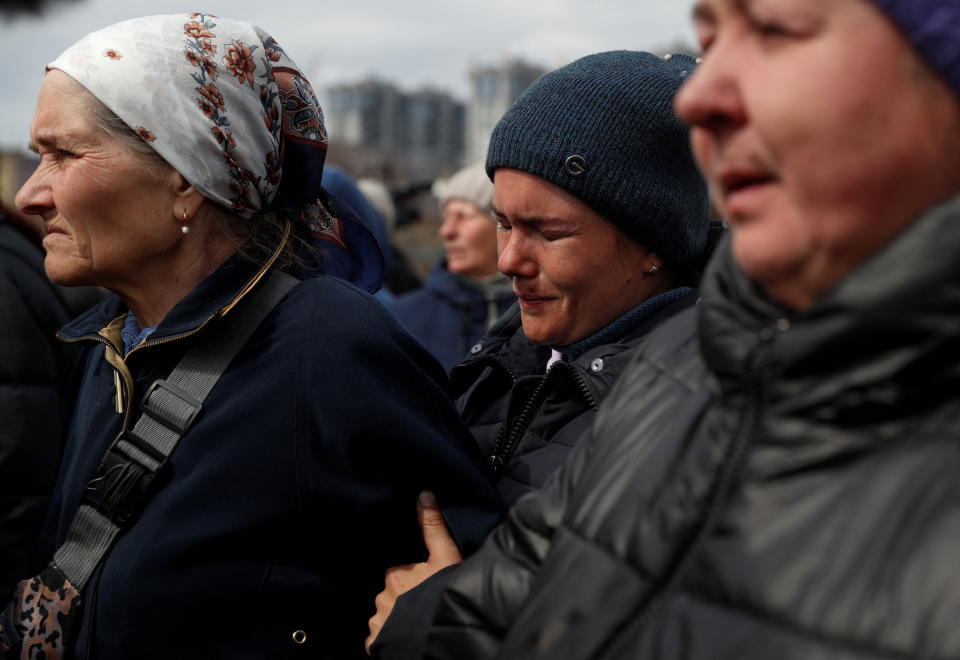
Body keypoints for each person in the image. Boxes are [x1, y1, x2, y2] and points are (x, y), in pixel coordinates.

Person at [424, 1, 960, 658]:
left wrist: (424, 617)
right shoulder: (677, 366)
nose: (699, 94)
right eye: (710, 35)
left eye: (774, 31)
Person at [11, 14, 502, 659]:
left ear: (185, 176)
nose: (29, 194)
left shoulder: (330, 349)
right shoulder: (114, 346)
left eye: (63, 154)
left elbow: (471, 591)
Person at [367, 50, 710, 658]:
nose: (508, 262)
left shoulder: (698, 422)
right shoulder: (504, 359)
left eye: (549, 233)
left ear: (652, 245)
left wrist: (437, 624)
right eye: (502, 222)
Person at [388, 162, 515, 371]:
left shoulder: (540, 319)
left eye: (463, 216)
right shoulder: (401, 320)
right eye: (446, 217)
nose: (447, 231)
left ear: (504, 225)